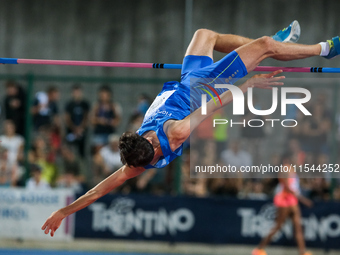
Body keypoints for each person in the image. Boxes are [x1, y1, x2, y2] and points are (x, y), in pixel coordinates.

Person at [42, 21, 338, 237]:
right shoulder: (176, 133)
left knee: (205, 34)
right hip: (205, 86)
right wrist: (248, 85)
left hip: (186, 79)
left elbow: (96, 191)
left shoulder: (134, 156)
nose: (147, 137)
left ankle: (280, 41)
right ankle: (324, 49)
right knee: (264, 47)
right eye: (148, 143)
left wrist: (63, 211)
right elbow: (211, 106)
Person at [252, 154, 313, 255]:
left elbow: (294, 186)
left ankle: (303, 252)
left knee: (298, 228)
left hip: (293, 201)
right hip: (284, 202)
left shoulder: (293, 170)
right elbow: (287, 187)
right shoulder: (284, 169)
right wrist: (303, 200)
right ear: (287, 159)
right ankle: (259, 249)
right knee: (278, 227)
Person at [64, 84, 90, 158]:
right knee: (70, 150)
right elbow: (67, 118)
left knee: (82, 152)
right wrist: (74, 128)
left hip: (82, 132)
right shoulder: (69, 105)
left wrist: (81, 128)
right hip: (71, 131)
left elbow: (87, 117)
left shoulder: (85, 104)